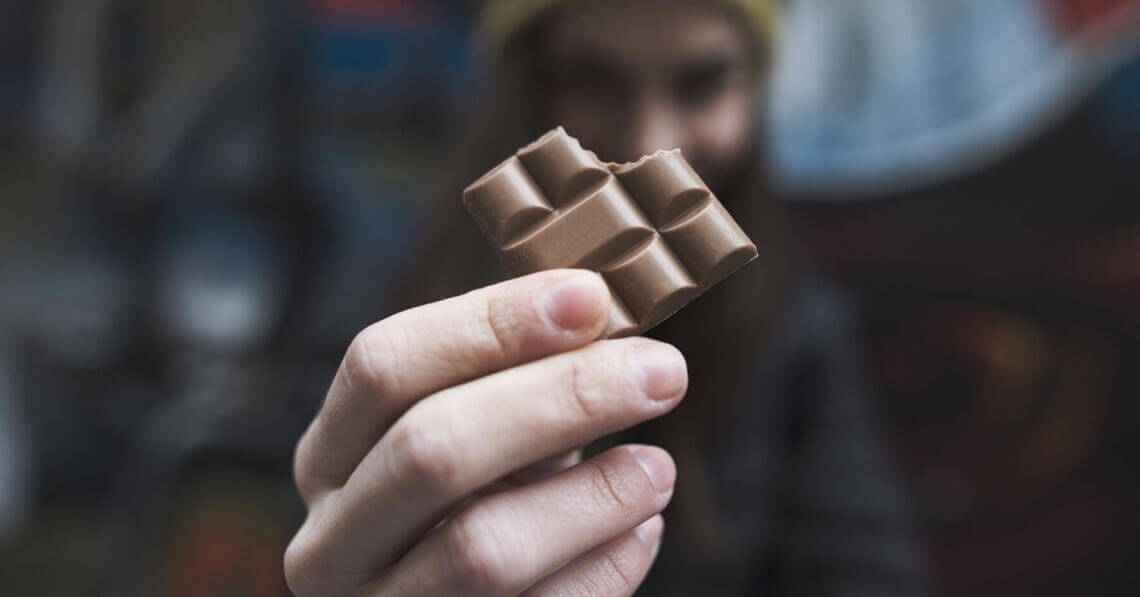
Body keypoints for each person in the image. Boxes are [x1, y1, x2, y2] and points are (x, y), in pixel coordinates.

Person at [285, 0, 927, 595]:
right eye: (593, 79)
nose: (650, 142)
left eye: (702, 82)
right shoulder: (383, 323)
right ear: (523, 87)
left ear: (755, 90)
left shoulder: (799, 334)